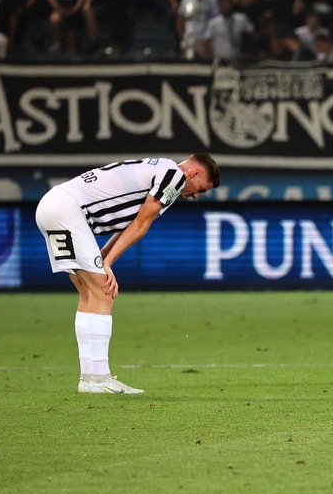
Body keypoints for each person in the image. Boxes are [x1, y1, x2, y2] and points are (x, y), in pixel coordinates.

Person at [34, 155, 220, 394]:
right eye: (201, 189)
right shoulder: (174, 176)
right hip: (68, 210)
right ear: (193, 174)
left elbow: (129, 224)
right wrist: (107, 263)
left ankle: (88, 380)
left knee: (88, 293)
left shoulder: (161, 169)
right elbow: (142, 224)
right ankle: (100, 378)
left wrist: (104, 260)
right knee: (103, 292)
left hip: (51, 206)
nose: (195, 196)